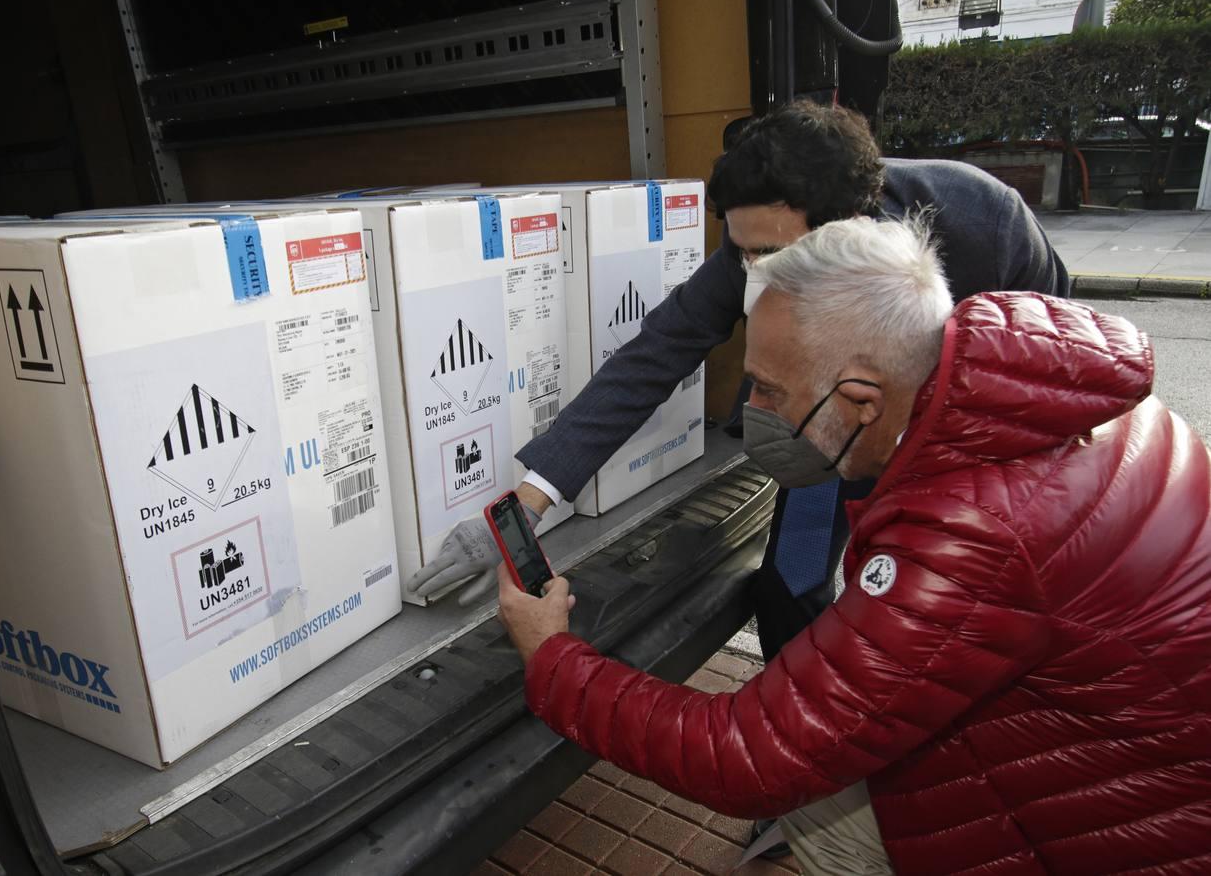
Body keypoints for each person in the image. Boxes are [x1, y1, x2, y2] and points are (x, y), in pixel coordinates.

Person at [497, 216, 1211, 876]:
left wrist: (552, 657)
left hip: (1120, 821)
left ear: (860, 400)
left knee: (817, 818)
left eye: (771, 392)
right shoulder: (1049, 394)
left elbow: (749, 756)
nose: (755, 415)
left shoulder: (971, 535)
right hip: (1124, 749)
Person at [409, 100, 1069, 667]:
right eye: (740, 249)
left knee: (931, 601)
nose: (751, 271)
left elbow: (1048, 371)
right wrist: (528, 500)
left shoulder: (986, 227)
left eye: (769, 255)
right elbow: (653, 356)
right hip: (832, 428)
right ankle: (797, 741)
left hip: (962, 436)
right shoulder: (757, 245)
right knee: (792, 578)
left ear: (843, 228)